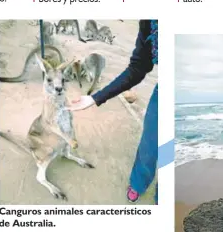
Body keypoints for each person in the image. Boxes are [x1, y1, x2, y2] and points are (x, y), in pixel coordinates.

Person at [68, 20, 158, 204]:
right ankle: (138, 183)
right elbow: (138, 67)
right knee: (150, 144)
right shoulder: (149, 22)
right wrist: (95, 97)